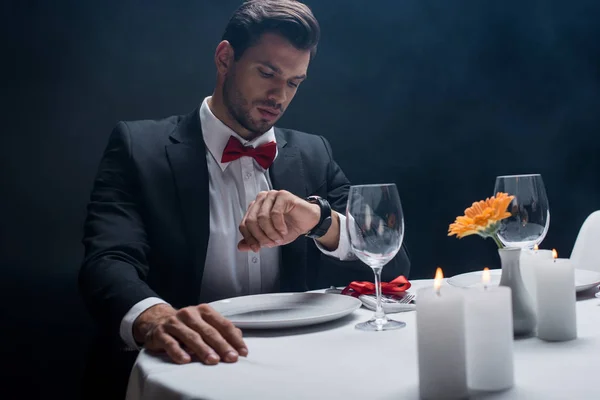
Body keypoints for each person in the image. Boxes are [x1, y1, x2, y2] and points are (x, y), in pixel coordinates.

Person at [78, 0, 410, 398]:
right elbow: (106, 262)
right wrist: (155, 317)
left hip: (300, 370)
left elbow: (394, 262)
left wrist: (320, 221)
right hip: (185, 367)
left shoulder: (312, 153)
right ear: (224, 58)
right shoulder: (138, 147)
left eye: (293, 82)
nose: (279, 95)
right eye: (267, 73)